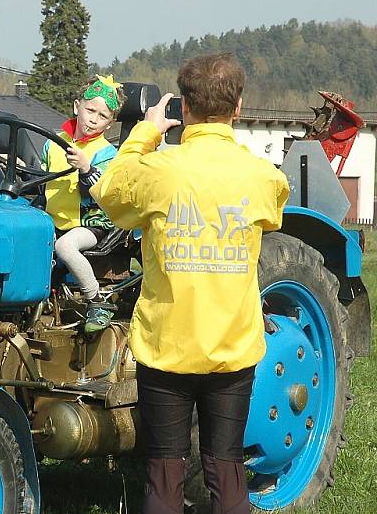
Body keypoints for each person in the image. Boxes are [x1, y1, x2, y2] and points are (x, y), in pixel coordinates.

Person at [91, 53, 290, 514]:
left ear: (183, 105)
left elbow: (109, 188)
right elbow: (275, 209)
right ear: (238, 106)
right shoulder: (260, 175)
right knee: (227, 469)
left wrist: (147, 131)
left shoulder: (160, 170)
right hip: (231, 349)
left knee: (164, 473)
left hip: (168, 347)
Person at [41, 74, 124, 333]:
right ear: (77, 107)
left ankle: (96, 301)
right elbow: (40, 178)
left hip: (91, 222)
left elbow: (103, 192)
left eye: (102, 116)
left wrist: (87, 169)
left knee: (65, 246)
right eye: (90, 110)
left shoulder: (107, 153)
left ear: (110, 124)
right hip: (53, 219)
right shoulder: (52, 143)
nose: (93, 119)